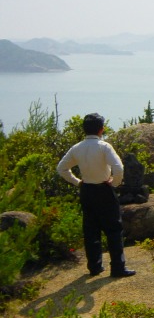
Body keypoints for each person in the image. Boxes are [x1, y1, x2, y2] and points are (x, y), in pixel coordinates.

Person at [57, 113, 135, 277]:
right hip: (104, 190)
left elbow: (61, 169)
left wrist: (77, 182)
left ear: (84, 129)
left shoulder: (77, 148)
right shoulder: (104, 146)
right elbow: (119, 168)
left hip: (87, 190)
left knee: (91, 229)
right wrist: (114, 183)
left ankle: (94, 267)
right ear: (101, 129)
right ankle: (118, 268)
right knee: (114, 229)